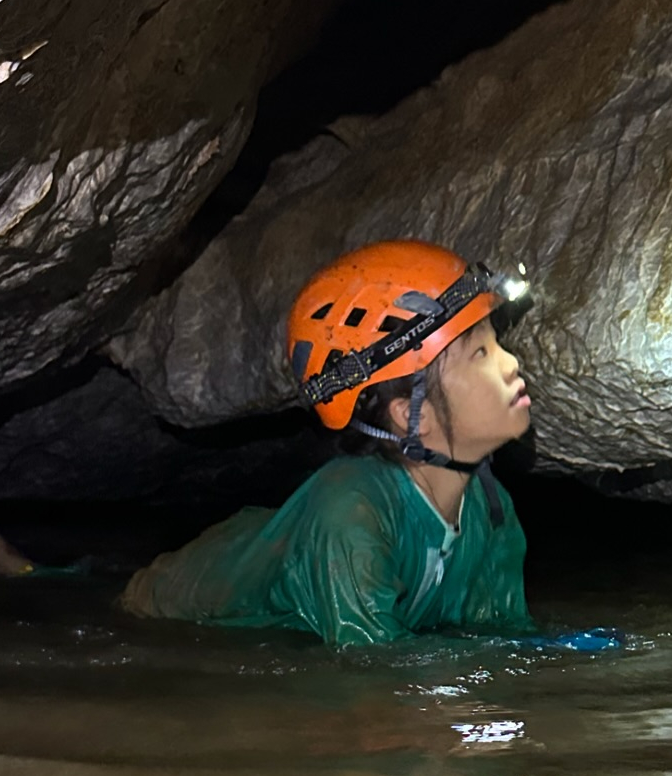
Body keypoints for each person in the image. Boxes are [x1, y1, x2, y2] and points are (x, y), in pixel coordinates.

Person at [112, 240, 538, 646]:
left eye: (495, 342)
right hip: (164, 607)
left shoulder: (491, 509)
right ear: (413, 415)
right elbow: (375, 670)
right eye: (480, 353)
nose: (511, 362)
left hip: (271, 539)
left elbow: (499, 640)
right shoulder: (351, 513)